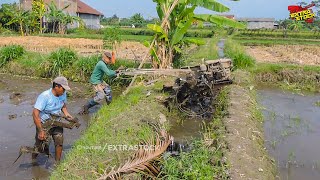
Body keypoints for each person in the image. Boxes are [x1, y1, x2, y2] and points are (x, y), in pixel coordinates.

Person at [32, 76, 73, 163]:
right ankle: (33, 160)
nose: (64, 91)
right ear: (56, 86)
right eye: (63, 89)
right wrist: (40, 130)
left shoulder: (62, 94)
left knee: (59, 142)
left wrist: (66, 114)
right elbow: (35, 114)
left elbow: (63, 105)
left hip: (57, 122)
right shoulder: (45, 96)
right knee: (40, 146)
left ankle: (57, 163)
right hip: (44, 124)